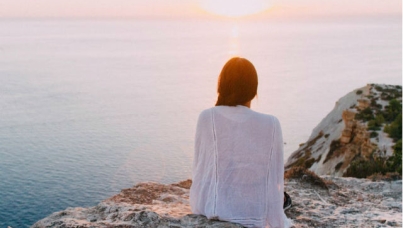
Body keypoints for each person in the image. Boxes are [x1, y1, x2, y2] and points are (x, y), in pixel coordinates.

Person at [190, 57, 292, 228]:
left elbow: (201, 171)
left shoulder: (207, 117)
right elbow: (274, 176)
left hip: (216, 208)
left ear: (221, 85)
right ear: (253, 90)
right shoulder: (272, 124)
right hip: (255, 209)